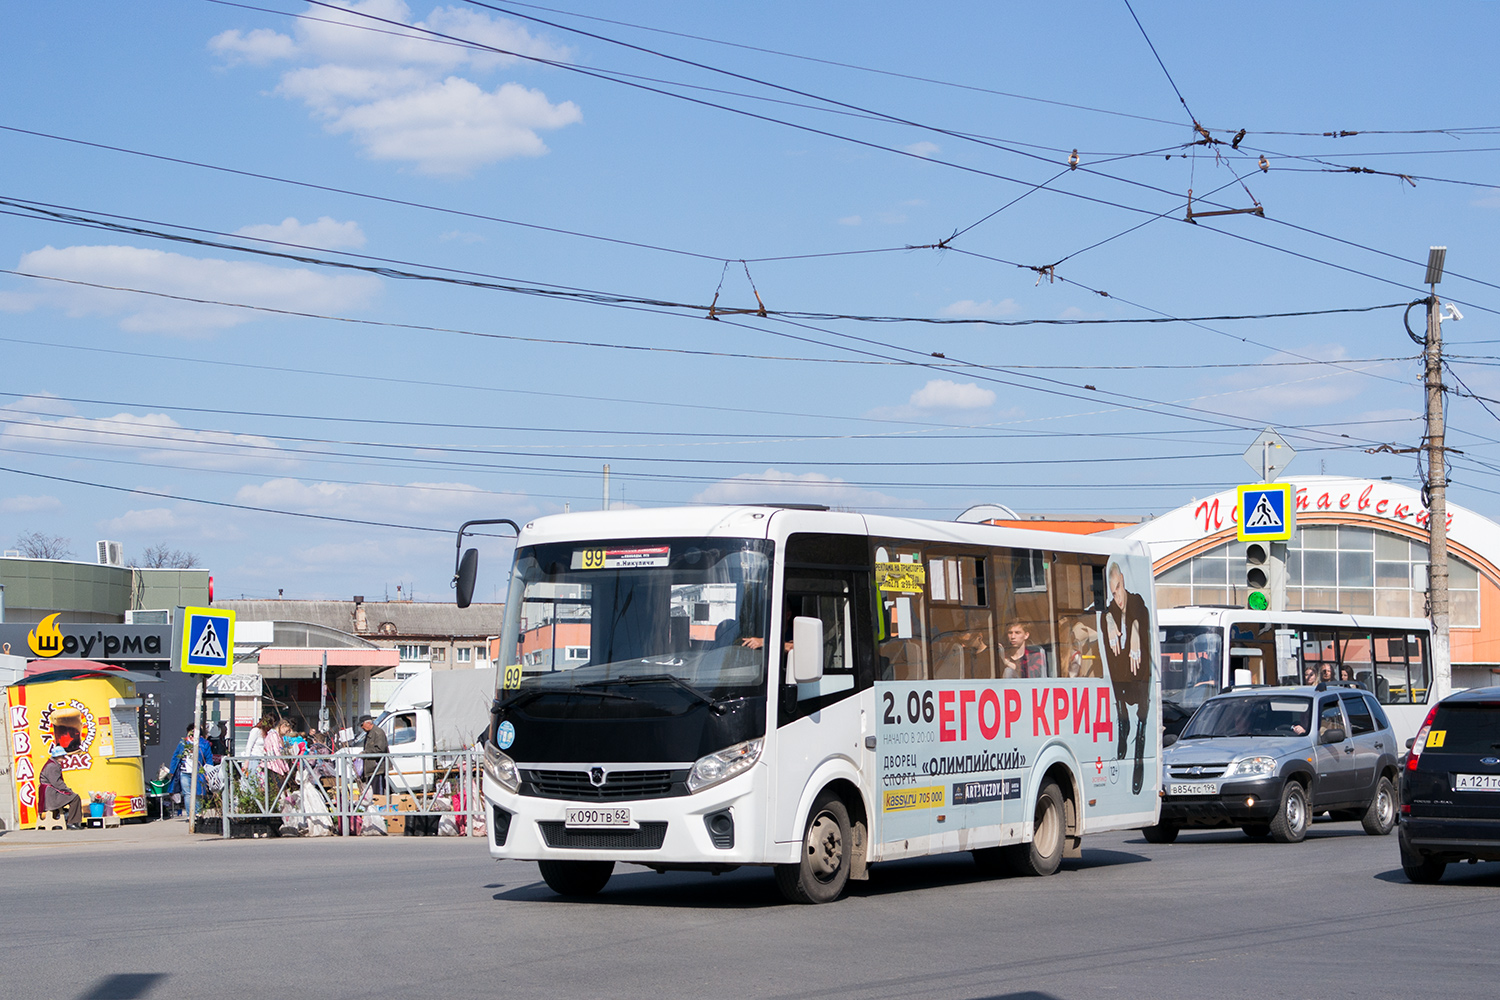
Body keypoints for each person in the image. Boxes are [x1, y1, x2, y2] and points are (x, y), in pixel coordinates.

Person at [1102, 561, 1152, 795]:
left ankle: (1138, 759)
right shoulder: (1110, 610)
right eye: (1113, 592)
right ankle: (1124, 722)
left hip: (1139, 676)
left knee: (1142, 717)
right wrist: (1110, 620)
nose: (1118, 598)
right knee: (1121, 706)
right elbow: (1100, 615)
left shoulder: (1137, 601)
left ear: (1123, 580)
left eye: (1119, 589)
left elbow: (1140, 613)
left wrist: (1133, 630)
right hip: (1121, 677)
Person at [168, 725, 213, 818]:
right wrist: (172, 770)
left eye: (193, 733)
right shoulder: (183, 742)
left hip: (199, 772)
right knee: (187, 794)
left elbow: (208, 759)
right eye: (190, 733)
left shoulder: (204, 744)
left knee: (199, 793)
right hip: (184, 772)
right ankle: (190, 815)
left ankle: (198, 813)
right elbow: (175, 756)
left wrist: (209, 772)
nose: (191, 735)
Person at [39, 753, 83, 828]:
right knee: (75, 797)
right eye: (61, 756)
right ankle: (72, 822)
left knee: (72, 796)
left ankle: (69, 821)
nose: (63, 757)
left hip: (51, 791)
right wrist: (67, 790)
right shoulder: (52, 766)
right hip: (51, 794)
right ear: (56, 756)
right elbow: (57, 782)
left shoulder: (53, 764)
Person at [359, 715, 389, 796]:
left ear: (368, 723)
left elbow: (380, 750)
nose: (361, 727)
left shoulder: (378, 733)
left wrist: (365, 753)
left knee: (377, 793)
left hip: (377, 768)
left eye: (362, 725)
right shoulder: (369, 733)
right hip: (370, 769)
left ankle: (378, 807)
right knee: (371, 793)